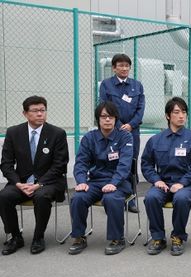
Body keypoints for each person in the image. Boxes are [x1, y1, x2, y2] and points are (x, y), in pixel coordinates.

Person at [0, 96, 69, 255]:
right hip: (22, 182)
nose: (40, 114)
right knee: (4, 196)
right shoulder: (13, 132)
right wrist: (17, 183)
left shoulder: (57, 133)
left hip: (49, 182)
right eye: (35, 111)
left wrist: (40, 184)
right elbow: (6, 164)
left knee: (41, 196)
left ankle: (38, 237)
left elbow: (60, 165)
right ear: (25, 113)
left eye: (43, 110)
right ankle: (15, 237)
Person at [142, 97, 191, 256]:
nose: (181, 116)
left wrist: (183, 183)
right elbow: (146, 164)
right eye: (176, 112)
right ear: (167, 116)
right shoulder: (156, 140)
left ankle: (178, 236)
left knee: (181, 198)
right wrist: (156, 180)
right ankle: (158, 238)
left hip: (186, 185)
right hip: (163, 184)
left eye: (184, 112)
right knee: (151, 197)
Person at [68, 101, 133, 255]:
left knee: (111, 199)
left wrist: (114, 183)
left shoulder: (125, 137)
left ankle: (118, 239)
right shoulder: (89, 138)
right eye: (104, 116)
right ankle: (79, 237)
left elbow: (125, 165)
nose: (108, 120)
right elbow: (81, 163)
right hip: (95, 182)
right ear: (98, 119)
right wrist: (82, 181)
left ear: (116, 118)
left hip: (119, 182)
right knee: (78, 198)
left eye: (111, 116)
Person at [99, 53, 145, 213]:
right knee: (114, 161)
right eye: (121, 65)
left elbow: (141, 109)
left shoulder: (137, 85)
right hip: (112, 131)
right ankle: (114, 195)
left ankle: (131, 198)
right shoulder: (106, 85)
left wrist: (131, 125)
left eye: (127, 66)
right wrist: (118, 125)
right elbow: (104, 107)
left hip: (133, 132)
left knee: (131, 162)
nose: (124, 68)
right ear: (114, 68)